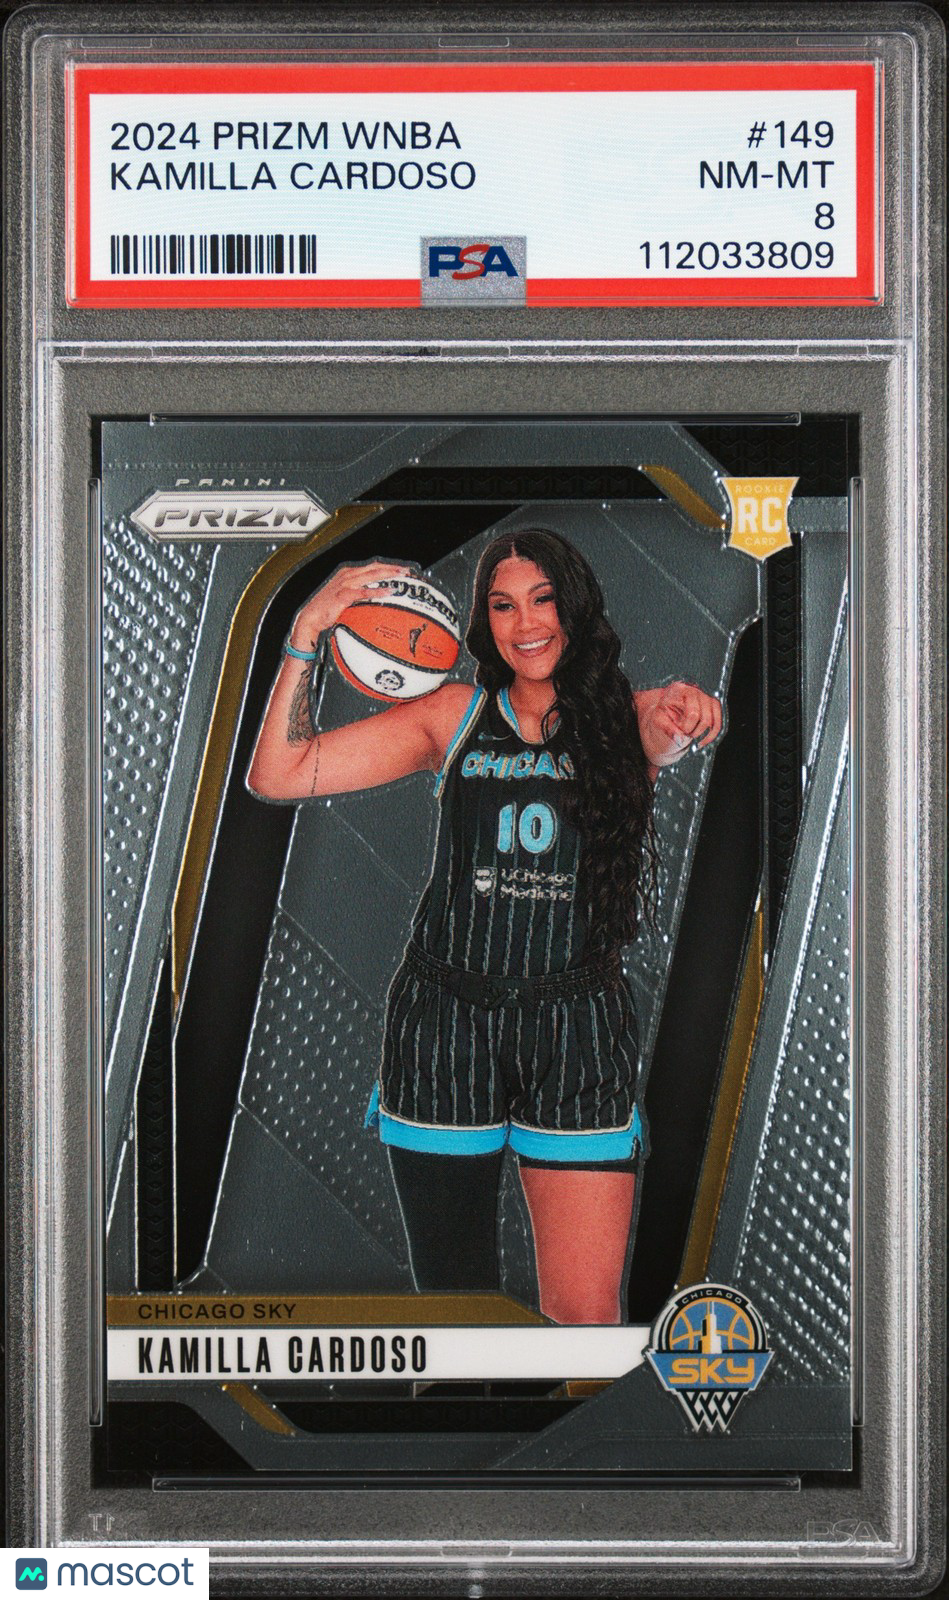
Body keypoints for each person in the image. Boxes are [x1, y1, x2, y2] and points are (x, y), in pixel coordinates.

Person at [248, 530, 722, 1324]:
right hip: (446, 1023)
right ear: (482, 622)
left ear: (575, 607)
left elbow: (667, 731)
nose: (524, 622)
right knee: (455, 1315)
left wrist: (689, 713)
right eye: (502, 605)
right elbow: (279, 772)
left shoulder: (625, 717)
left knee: (584, 1318)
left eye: (542, 599)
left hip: (576, 1027)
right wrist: (305, 633)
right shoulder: (453, 716)